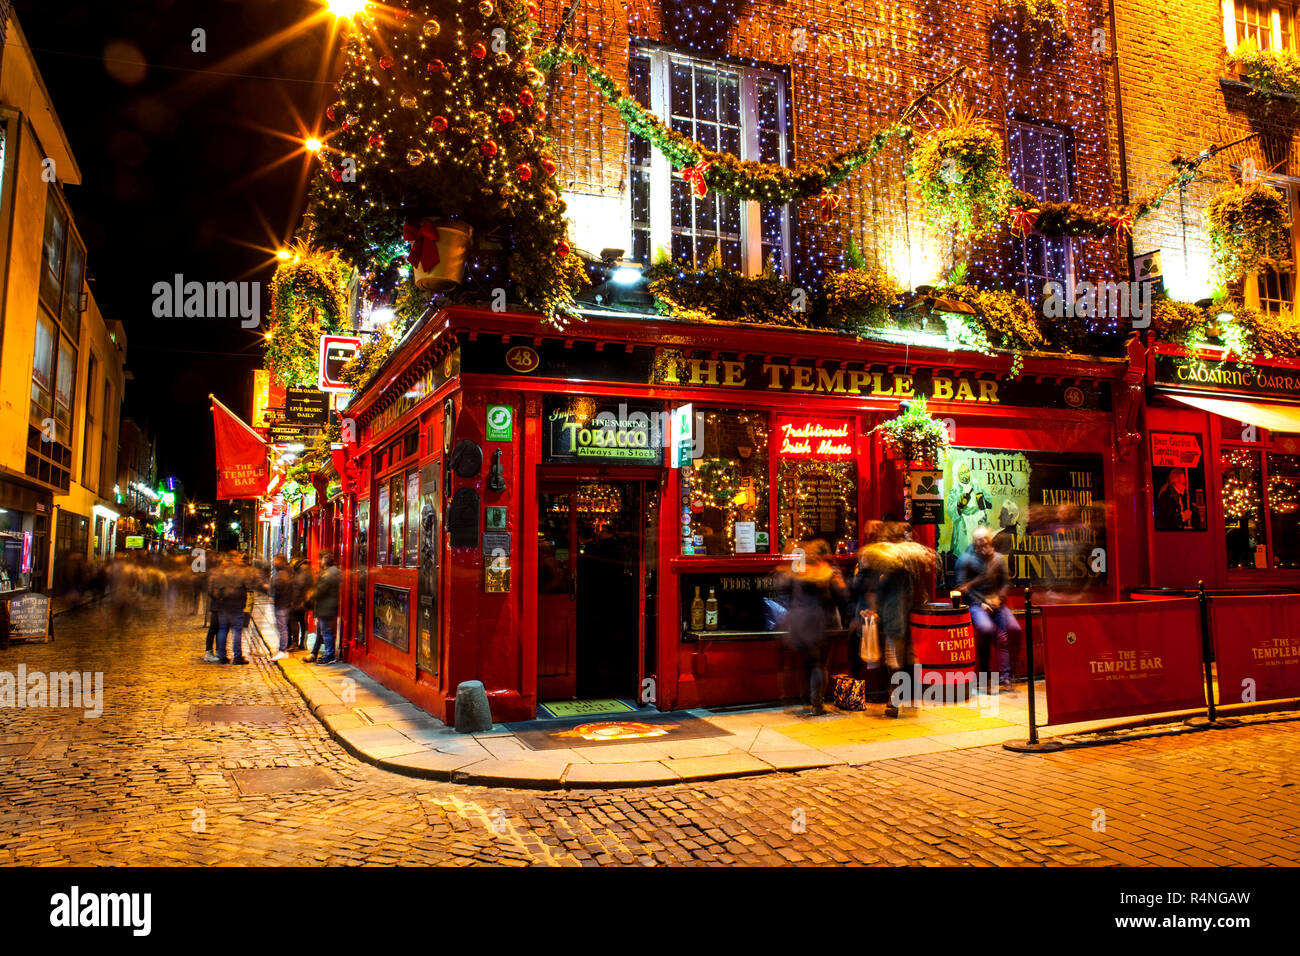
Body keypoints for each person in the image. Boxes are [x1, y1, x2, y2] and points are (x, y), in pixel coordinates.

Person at [862, 524, 937, 717]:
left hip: (896, 618)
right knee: (909, 658)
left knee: (894, 660)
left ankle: (895, 702)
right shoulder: (909, 559)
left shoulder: (893, 561)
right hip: (912, 616)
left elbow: (883, 588)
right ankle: (912, 697)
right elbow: (917, 587)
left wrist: (875, 603)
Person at [778, 539, 848, 716]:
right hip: (822, 623)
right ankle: (817, 703)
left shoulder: (799, 570)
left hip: (800, 623)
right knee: (819, 664)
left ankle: (803, 699)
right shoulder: (828, 572)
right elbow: (842, 595)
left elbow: (783, 586)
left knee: (805, 663)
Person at [955, 526, 1019, 691]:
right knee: (986, 629)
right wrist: (981, 602)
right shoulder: (965, 560)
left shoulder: (998, 558)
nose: (984, 542)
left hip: (996, 603)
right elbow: (963, 587)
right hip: (976, 604)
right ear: (974, 542)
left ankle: (1005, 677)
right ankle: (985, 678)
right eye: (980, 540)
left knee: (1010, 632)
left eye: (986, 538)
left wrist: (999, 598)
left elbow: (1006, 582)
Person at [211, 551, 253, 664]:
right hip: (236, 604)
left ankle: (222, 656)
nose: (240, 559)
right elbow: (249, 585)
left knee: (223, 629)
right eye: (239, 557)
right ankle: (237, 657)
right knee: (237, 630)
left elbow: (212, 586)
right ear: (235, 558)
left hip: (223, 603)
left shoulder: (221, 571)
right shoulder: (241, 571)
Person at [308, 551, 342, 665]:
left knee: (326, 632)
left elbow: (321, 590)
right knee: (324, 631)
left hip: (326, 606)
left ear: (325, 561)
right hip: (328, 606)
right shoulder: (333, 572)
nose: (320, 562)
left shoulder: (328, 574)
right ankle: (322, 653)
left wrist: (310, 595)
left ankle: (329, 655)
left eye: (321, 559)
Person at [269, 555, 293, 661]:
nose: (273, 563)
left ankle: (283, 650)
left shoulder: (281, 574)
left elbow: (278, 589)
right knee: (283, 627)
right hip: (285, 603)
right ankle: (283, 649)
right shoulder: (287, 572)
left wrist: (271, 589)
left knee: (282, 628)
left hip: (281, 604)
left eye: (275, 560)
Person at [289, 559, 313, 650]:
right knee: (303, 621)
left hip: (299, 601)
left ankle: (295, 643)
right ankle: (303, 643)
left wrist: (297, 601)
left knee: (294, 620)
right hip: (304, 601)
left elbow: (298, 587)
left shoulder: (301, 572)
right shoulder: (307, 571)